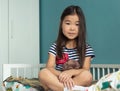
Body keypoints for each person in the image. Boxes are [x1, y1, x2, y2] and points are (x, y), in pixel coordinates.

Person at [38, 5, 95, 91]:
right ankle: (68, 89)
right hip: (58, 79)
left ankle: (59, 89)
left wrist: (71, 72)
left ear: (82, 27)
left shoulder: (87, 48)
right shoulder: (55, 46)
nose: (72, 28)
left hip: (76, 80)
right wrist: (63, 75)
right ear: (61, 24)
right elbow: (49, 67)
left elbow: (85, 69)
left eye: (77, 24)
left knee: (87, 76)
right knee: (43, 73)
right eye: (68, 23)